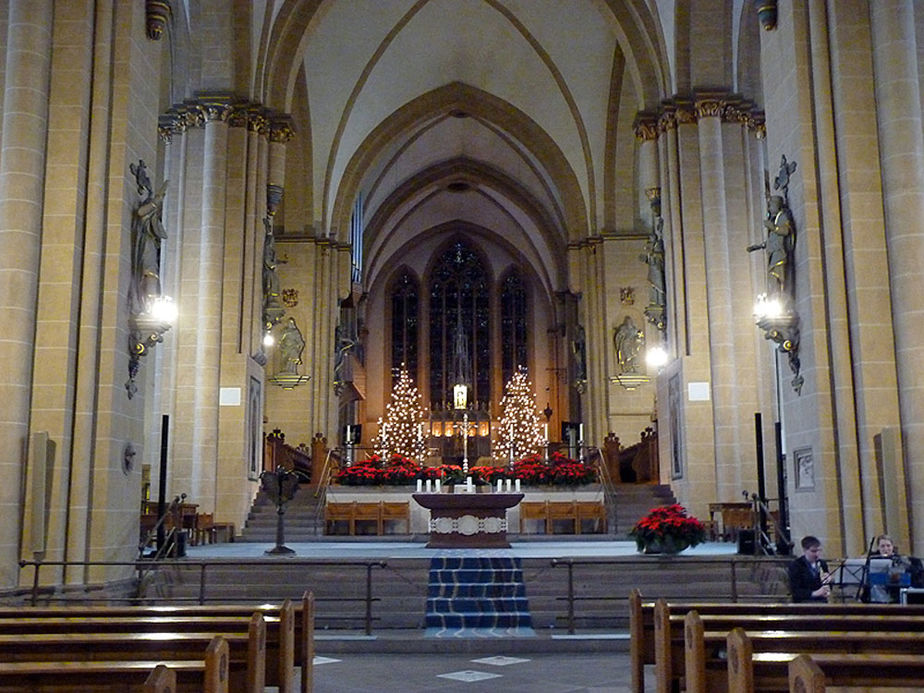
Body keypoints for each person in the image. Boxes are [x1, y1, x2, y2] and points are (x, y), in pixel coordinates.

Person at [747, 194, 794, 300]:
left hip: (779, 253)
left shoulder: (782, 217)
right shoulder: (774, 220)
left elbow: (785, 231)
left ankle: (780, 300)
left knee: (777, 276)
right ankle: (775, 299)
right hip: (773, 253)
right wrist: (758, 246)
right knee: (771, 279)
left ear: (777, 205)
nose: (769, 208)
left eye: (771, 205)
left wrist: (772, 227)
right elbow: (772, 240)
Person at [864, 534, 924, 603]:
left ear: (892, 547)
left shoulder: (900, 560)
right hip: (875, 595)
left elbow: (913, 576)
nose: (886, 549)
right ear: (878, 548)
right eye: (882, 546)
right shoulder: (872, 560)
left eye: (888, 546)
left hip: (895, 595)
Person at [788, 535, 831, 602]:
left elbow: (827, 587)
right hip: (804, 604)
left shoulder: (822, 564)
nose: (817, 554)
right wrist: (814, 593)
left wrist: (829, 581)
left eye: (819, 550)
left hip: (821, 602)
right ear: (805, 550)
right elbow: (795, 591)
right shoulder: (796, 565)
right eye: (813, 551)